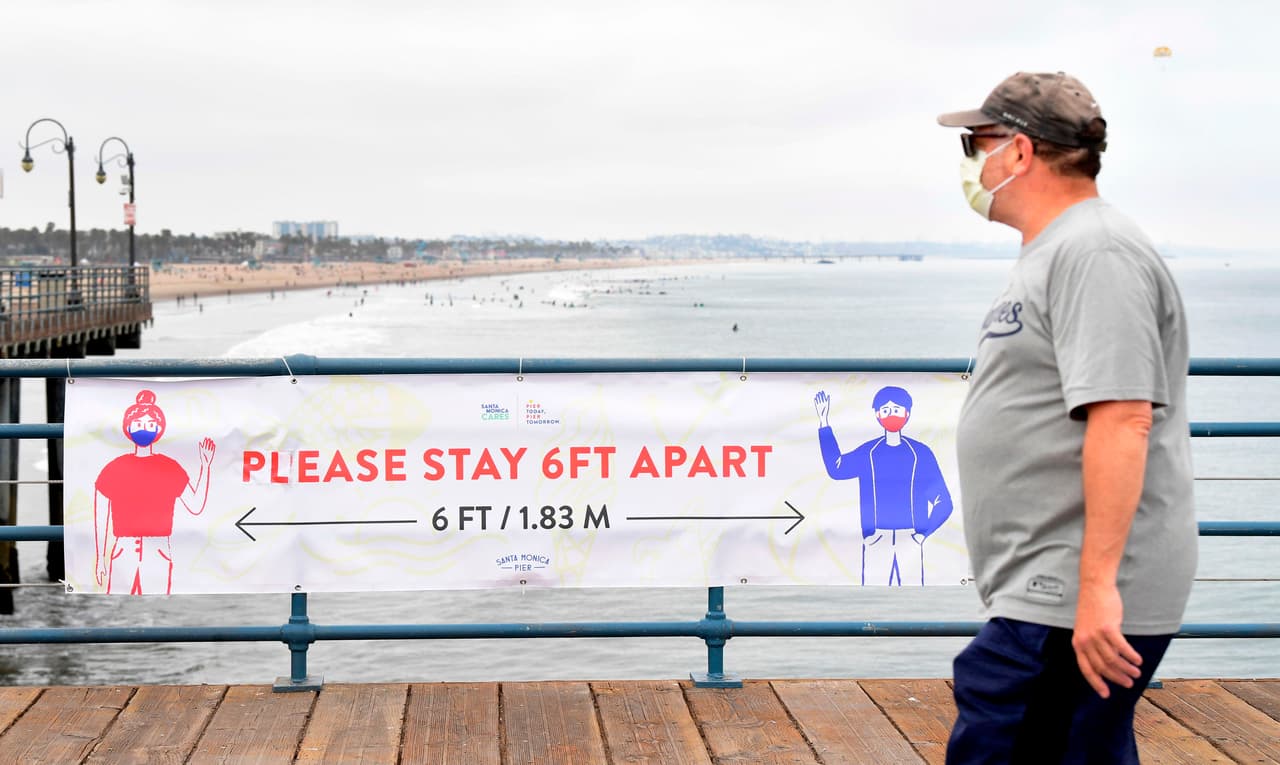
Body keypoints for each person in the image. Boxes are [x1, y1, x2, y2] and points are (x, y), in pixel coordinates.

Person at [937, 72, 1197, 763]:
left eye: (975, 144)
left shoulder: (1095, 251)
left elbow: (1123, 416)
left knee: (1006, 739)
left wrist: (1096, 590)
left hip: (1067, 594)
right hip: (1048, 588)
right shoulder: (1060, 248)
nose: (970, 163)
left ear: (1020, 151)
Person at [814, 386, 953, 585]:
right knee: (872, 599)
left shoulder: (920, 454)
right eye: (886, 410)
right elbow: (837, 468)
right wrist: (824, 423)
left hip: (911, 538)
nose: (891, 415)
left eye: (896, 410)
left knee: (914, 598)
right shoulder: (869, 452)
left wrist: (921, 535)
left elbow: (943, 502)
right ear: (878, 415)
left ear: (907, 414)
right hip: (876, 538)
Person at [93, 390, 216, 594]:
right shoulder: (114, 468)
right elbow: (100, 517)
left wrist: (206, 467)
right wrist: (100, 559)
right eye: (138, 424)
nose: (144, 429)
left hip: (158, 550)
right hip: (124, 550)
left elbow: (195, 505)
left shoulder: (170, 467)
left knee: (157, 605)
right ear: (128, 427)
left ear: (159, 429)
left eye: (150, 424)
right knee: (119, 604)